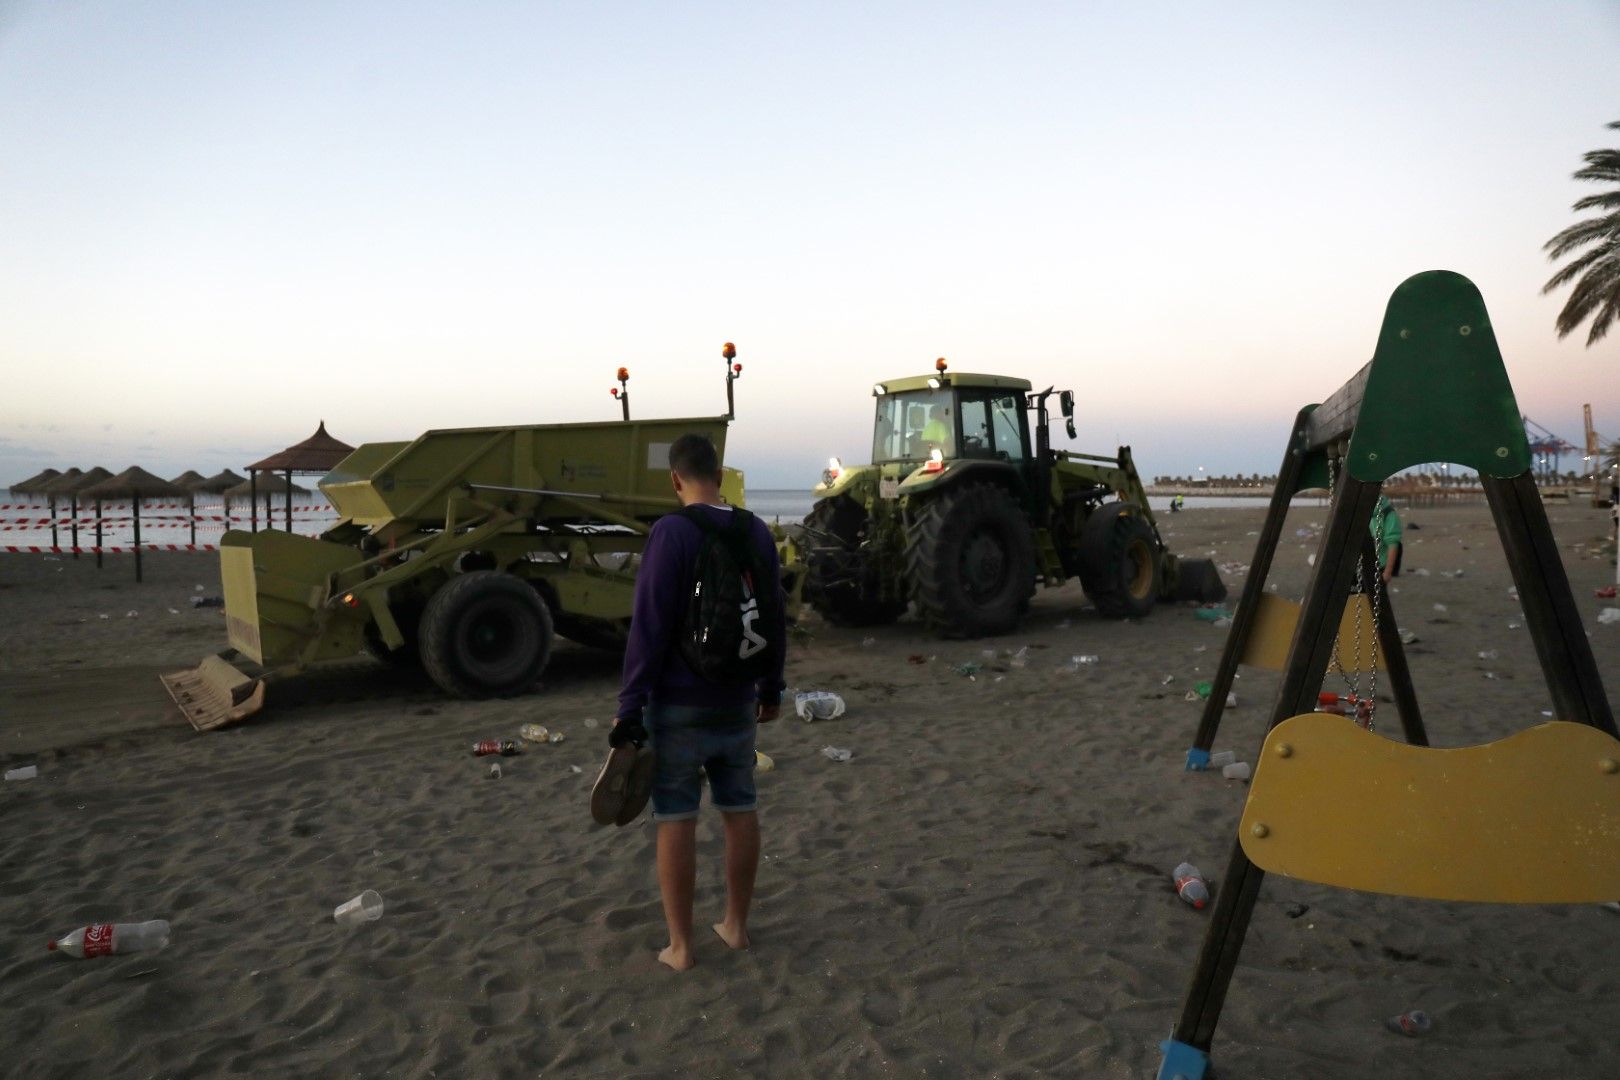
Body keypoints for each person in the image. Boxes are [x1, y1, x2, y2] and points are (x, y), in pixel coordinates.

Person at [612, 433, 786, 971]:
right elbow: (775, 614)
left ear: (674, 479)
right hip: (737, 699)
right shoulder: (754, 530)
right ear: (720, 472)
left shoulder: (670, 533)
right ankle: (735, 927)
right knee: (739, 808)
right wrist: (771, 688)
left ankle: (681, 947)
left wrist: (629, 707)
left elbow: (650, 626)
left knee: (677, 817)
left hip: (678, 703)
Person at [1373, 495, 1402, 583]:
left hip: (1379, 564)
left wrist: (1388, 571)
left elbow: (1392, 543)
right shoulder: (1355, 511)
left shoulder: (1388, 514)